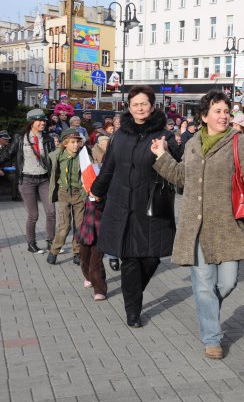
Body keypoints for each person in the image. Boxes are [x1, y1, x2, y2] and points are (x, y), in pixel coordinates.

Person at [151, 90, 244, 360]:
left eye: (226, 111)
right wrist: (162, 157)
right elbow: (181, 177)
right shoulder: (193, 143)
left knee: (228, 282)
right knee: (203, 285)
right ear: (204, 115)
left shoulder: (239, 142)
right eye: (218, 111)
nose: (223, 116)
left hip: (227, 224)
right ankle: (212, 337)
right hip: (195, 224)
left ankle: (208, 311)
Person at [90, 85, 181, 328]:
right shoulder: (120, 135)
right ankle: (133, 310)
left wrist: (165, 153)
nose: (140, 108)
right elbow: (108, 165)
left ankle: (133, 291)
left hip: (151, 205)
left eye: (144, 103)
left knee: (151, 258)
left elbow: (178, 167)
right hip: (121, 205)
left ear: (152, 107)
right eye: (135, 104)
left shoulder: (164, 135)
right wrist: (96, 191)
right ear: (128, 107)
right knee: (130, 259)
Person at [0, 109, 56, 253]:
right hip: (27, 180)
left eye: (44, 121)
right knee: (33, 215)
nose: (43, 123)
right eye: (39, 120)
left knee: (51, 212)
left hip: (44, 179)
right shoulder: (20, 137)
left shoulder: (48, 138)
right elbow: (8, 154)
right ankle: (31, 243)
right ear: (31, 122)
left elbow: (54, 159)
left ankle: (51, 241)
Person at [46, 128, 87, 266]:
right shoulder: (58, 155)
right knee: (64, 226)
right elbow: (50, 159)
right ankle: (54, 251)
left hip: (79, 193)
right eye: (72, 142)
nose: (76, 145)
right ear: (65, 143)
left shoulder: (83, 155)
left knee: (79, 225)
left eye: (78, 142)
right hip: (63, 192)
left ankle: (77, 252)